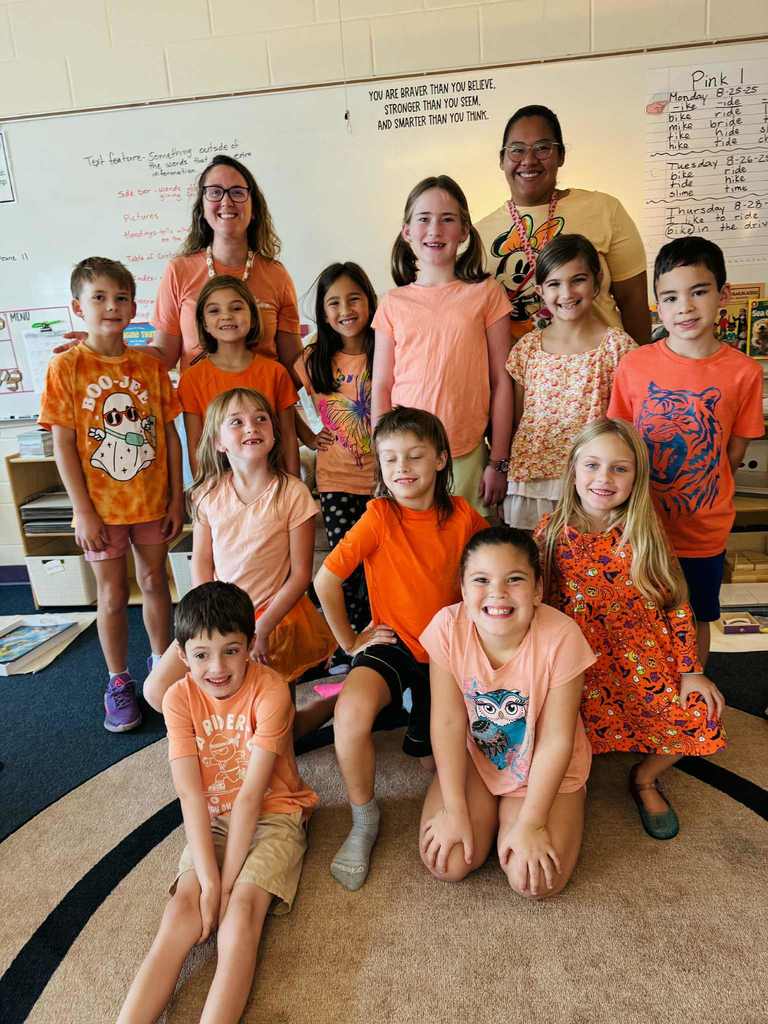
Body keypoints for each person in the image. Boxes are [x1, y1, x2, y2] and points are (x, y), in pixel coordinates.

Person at [116, 581, 317, 1024]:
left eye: (231, 650)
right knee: (180, 914)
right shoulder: (177, 698)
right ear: (182, 656)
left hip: (274, 813)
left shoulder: (271, 691)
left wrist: (224, 889)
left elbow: (250, 798)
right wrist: (208, 881)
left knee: (240, 915)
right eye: (202, 654)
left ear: (250, 647)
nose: (217, 667)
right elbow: (190, 794)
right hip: (211, 816)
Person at [314, 407, 488, 891]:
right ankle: (363, 817)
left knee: (435, 758)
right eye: (390, 459)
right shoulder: (379, 515)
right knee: (349, 717)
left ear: (440, 460)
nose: (402, 467)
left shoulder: (464, 517)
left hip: (446, 652)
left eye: (414, 455)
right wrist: (350, 641)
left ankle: (417, 731)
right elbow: (325, 579)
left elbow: (486, 579)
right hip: (390, 643)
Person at [536, 418, 727, 840]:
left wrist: (691, 669)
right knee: (553, 733)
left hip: (643, 664)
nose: (603, 478)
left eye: (619, 469)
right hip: (578, 670)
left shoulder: (644, 533)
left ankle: (643, 778)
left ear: (636, 478)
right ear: (572, 470)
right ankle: (571, 784)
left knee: (703, 715)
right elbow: (536, 609)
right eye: (592, 465)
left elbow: (677, 606)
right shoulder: (547, 536)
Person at [39, 257, 183, 732]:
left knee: (157, 581)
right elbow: (62, 443)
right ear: (77, 307)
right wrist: (82, 511)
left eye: (121, 297)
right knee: (113, 594)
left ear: (134, 306)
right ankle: (118, 679)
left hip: (152, 502)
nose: (111, 306)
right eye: (98, 297)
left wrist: (176, 497)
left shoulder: (150, 365)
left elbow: (170, 433)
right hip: (101, 509)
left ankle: (161, 666)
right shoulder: (66, 367)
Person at [608, 236, 764, 666]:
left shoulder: (744, 372)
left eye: (699, 291)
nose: (686, 307)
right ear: (658, 303)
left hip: (703, 530)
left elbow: (732, 451)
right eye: (671, 297)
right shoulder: (634, 366)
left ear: (723, 295)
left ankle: (691, 698)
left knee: (696, 616)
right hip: (640, 526)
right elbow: (619, 442)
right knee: (637, 617)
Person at [143, 388, 336, 736]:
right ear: (218, 442)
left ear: (274, 432)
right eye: (237, 422)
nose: (252, 427)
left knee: (279, 732)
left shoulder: (293, 493)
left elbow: (301, 575)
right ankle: (226, 731)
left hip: (272, 619)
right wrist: (207, 622)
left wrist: (260, 630)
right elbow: (201, 565)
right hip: (219, 615)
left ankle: (331, 702)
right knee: (155, 692)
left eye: (261, 418)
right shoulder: (207, 495)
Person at [419, 526, 595, 898]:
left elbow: (557, 740)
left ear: (536, 590)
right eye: (481, 580)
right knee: (448, 863)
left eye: (514, 580)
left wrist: (530, 823)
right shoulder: (447, 627)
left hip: (542, 768)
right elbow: (448, 723)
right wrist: (454, 809)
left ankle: (534, 812)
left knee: (534, 883)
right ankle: (485, 811)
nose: (497, 593)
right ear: (464, 590)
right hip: (478, 763)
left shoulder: (562, 637)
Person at [371, 175, 514, 514]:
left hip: (467, 453)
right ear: (407, 232)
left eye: (447, 219)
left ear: (464, 231)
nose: (435, 229)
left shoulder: (486, 293)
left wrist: (499, 462)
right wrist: (384, 458)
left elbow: (502, 381)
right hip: (407, 458)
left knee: (467, 556)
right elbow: (382, 385)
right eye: (424, 219)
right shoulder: (393, 302)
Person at [476, 104, 651, 345]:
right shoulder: (475, 237)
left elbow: (634, 302)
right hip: (524, 377)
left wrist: (639, 374)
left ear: (561, 156)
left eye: (543, 148)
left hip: (603, 372)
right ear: (502, 159)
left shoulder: (605, 210)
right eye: (516, 150)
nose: (528, 160)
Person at [503, 234, 636, 529]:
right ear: (540, 290)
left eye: (577, 280)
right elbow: (517, 420)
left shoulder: (618, 347)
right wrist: (502, 468)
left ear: (596, 281)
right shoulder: (527, 347)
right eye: (554, 284)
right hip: (531, 481)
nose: (566, 293)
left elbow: (627, 426)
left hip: (592, 484)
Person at [152, 154, 302, 376]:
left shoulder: (276, 275)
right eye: (214, 192)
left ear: (254, 210)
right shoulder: (179, 271)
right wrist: (105, 351)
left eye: (237, 192)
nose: (226, 201)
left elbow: (293, 364)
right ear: (202, 208)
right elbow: (164, 355)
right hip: (200, 407)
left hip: (262, 407)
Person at [294, 262, 377, 650]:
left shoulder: (387, 346)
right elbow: (279, 396)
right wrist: (308, 436)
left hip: (385, 479)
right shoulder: (313, 359)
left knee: (378, 563)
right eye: (334, 302)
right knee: (347, 565)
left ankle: (379, 633)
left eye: (354, 298)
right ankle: (351, 641)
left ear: (370, 301)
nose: (345, 309)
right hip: (336, 481)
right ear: (323, 313)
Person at [178, 274, 300, 476]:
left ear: (252, 317)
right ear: (204, 323)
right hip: (220, 493)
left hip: (272, 488)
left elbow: (288, 437)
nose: (226, 316)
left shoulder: (276, 373)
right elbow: (196, 444)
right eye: (215, 310)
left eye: (236, 308)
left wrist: (295, 487)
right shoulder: (192, 379)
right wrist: (204, 494)